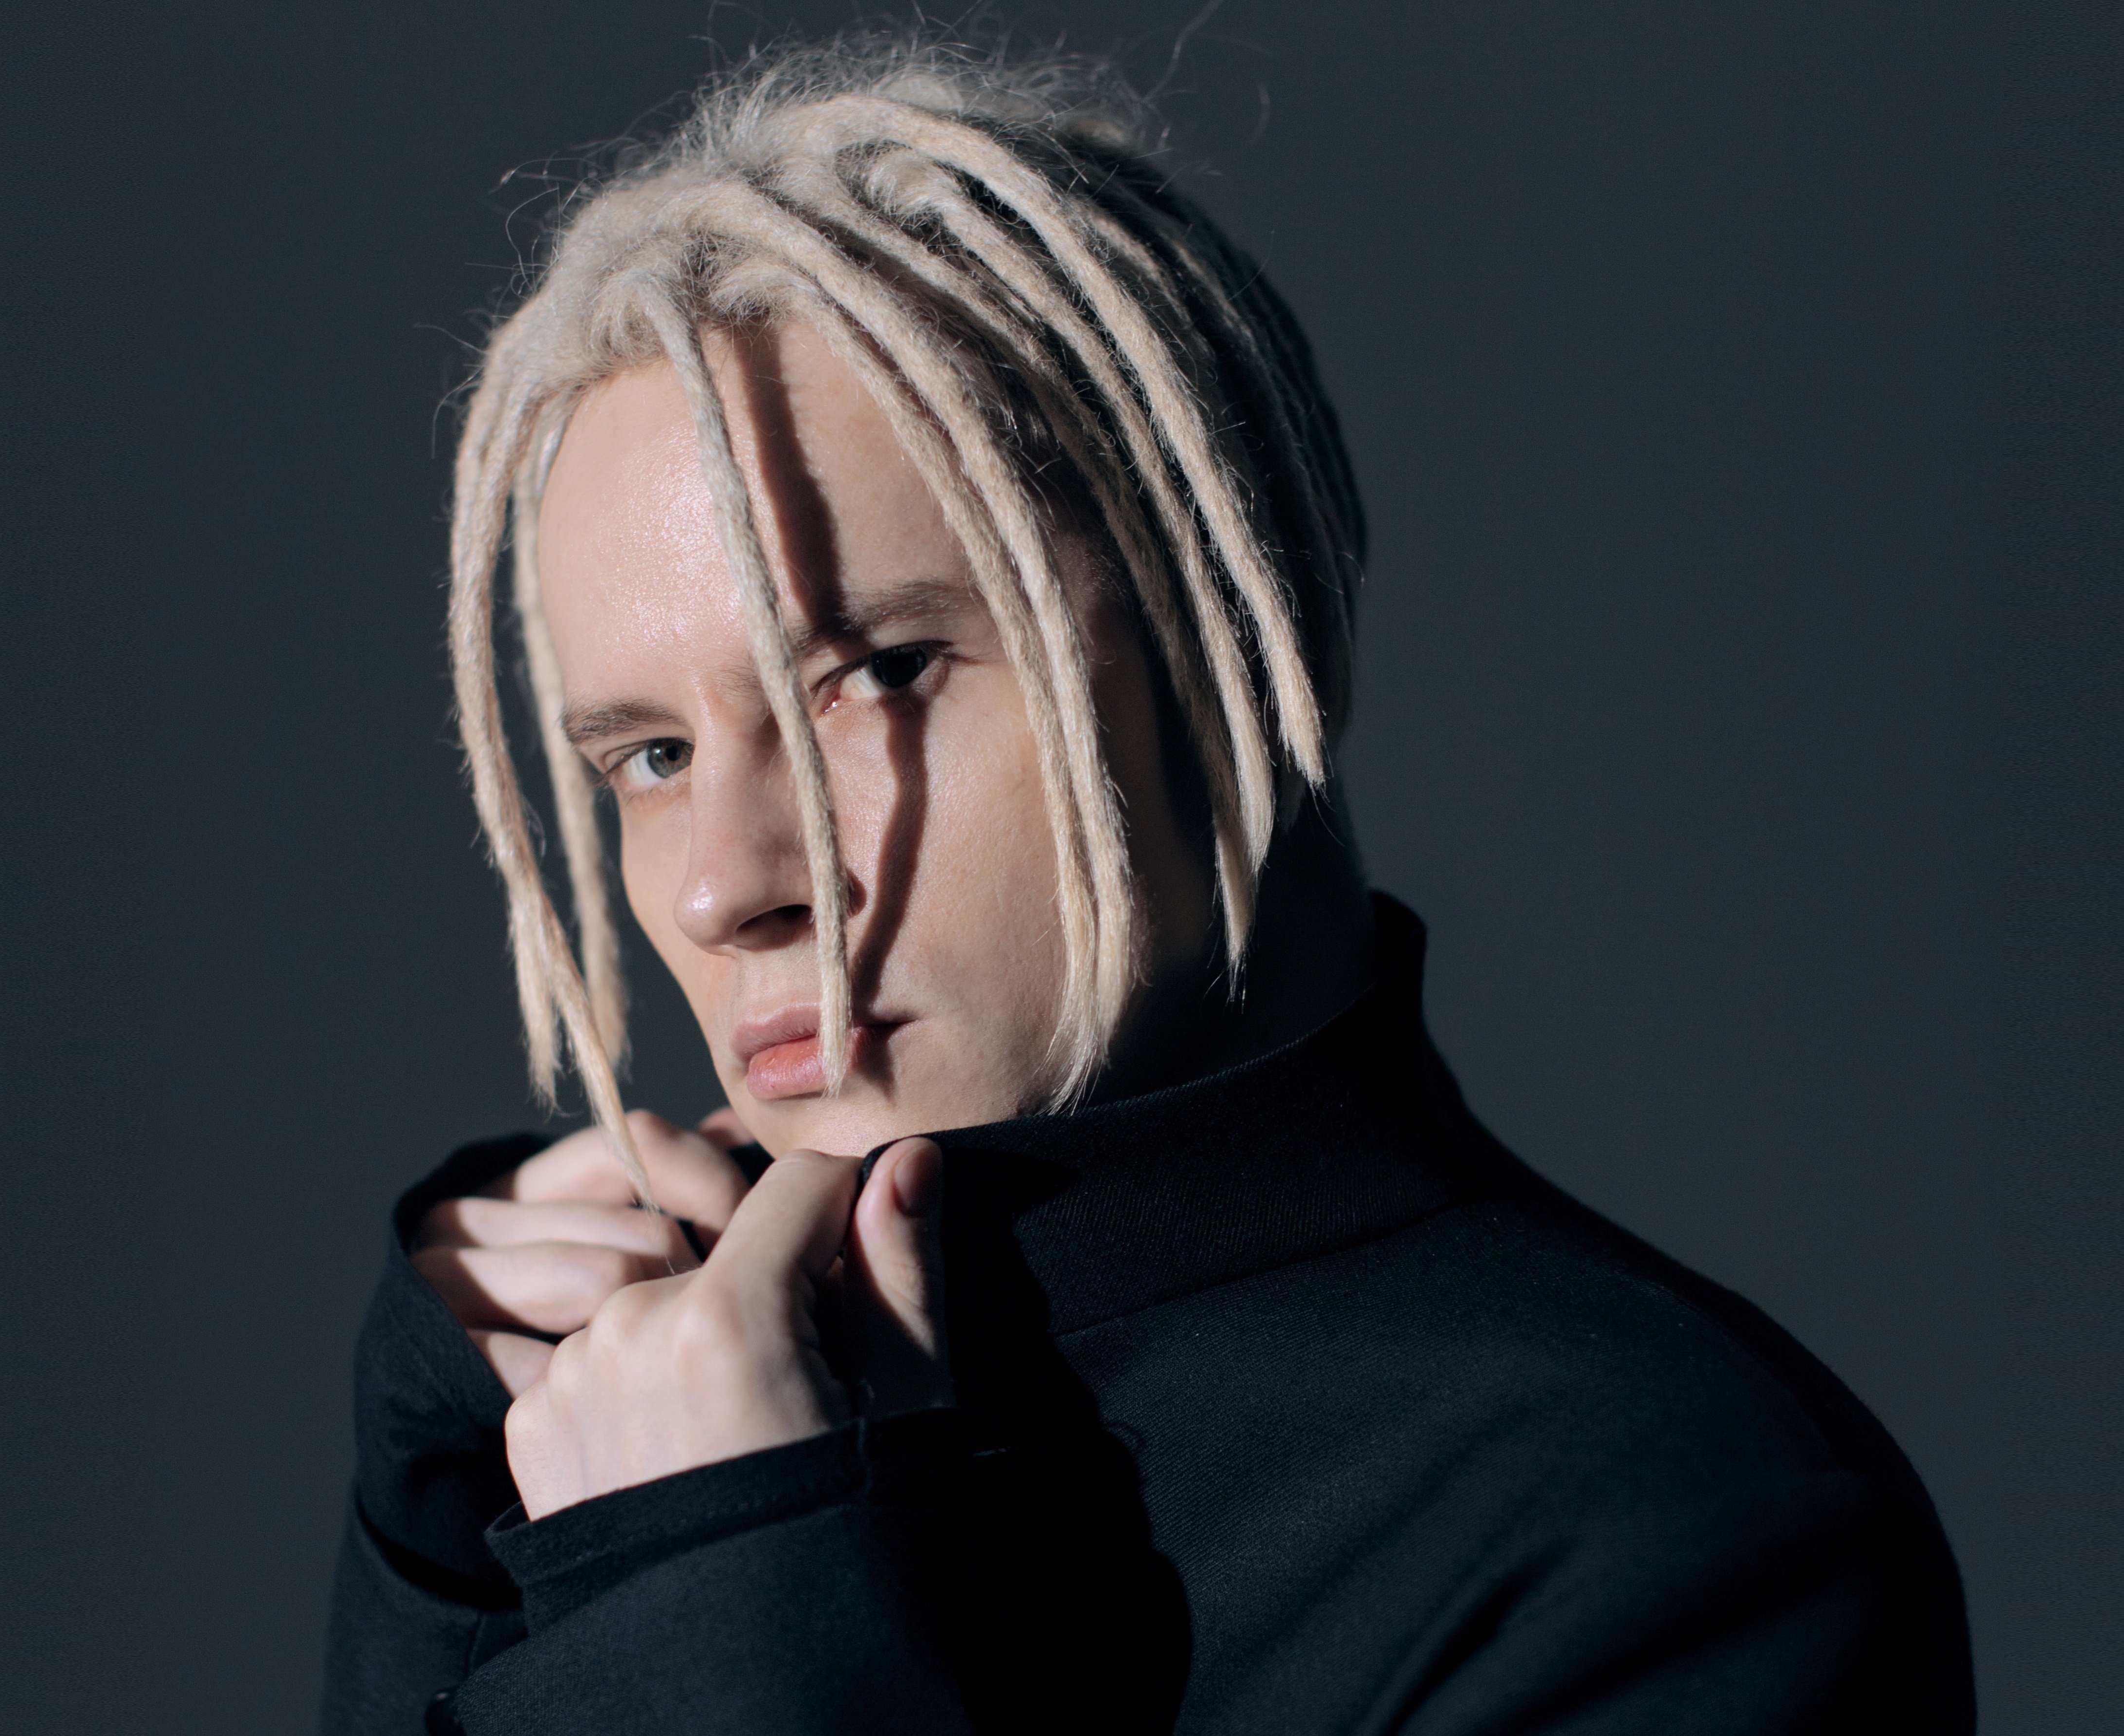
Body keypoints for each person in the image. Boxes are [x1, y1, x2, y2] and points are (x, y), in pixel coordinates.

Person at [319, 34, 1974, 1735]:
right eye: (654, 755)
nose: (725, 889)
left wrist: (713, 1605)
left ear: (1229, 642)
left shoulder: (1674, 1529)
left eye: (875, 673)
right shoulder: (583, 1418)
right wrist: (439, 1546)